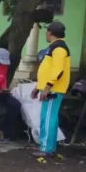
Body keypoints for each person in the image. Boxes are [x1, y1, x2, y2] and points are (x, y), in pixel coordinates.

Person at [32, 22, 70, 158]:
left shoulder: (59, 48)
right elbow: (49, 69)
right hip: (50, 87)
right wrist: (38, 87)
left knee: (48, 119)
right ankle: (48, 146)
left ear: (50, 33)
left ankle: (46, 149)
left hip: (53, 89)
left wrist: (47, 87)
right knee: (48, 117)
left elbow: (58, 70)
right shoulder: (55, 47)